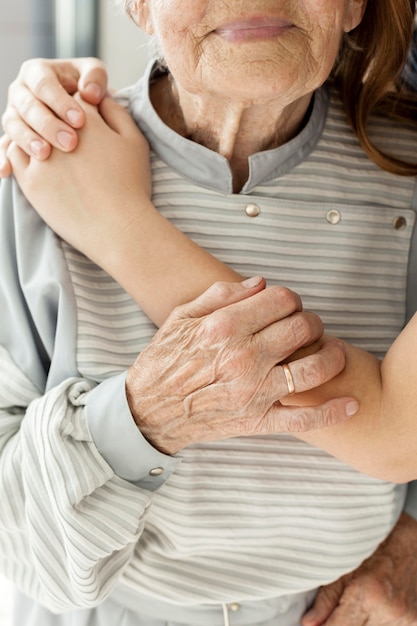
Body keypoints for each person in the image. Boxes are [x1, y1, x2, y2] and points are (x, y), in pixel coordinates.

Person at [1, 0, 417, 625]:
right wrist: (144, 417)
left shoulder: (407, 174)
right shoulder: (38, 169)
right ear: (138, 6)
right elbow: (15, 545)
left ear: (355, 5)